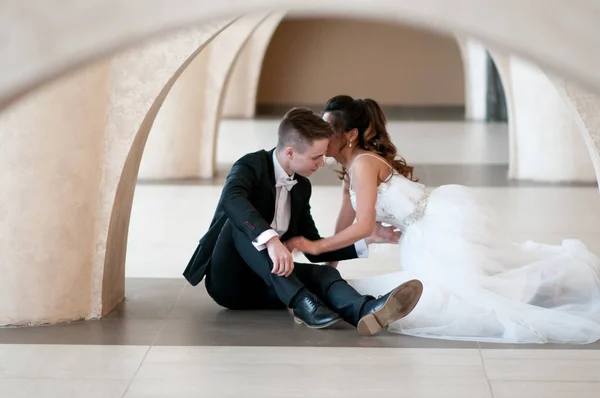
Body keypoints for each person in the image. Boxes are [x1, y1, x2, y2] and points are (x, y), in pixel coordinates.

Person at [284, 95, 600, 344]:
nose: (321, 135)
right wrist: (328, 272)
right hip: (420, 236)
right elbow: (346, 221)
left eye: (328, 129)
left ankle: (556, 288)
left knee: (471, 294)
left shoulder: (363, 164)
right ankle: (549, 289)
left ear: (349, 135)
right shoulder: (350, 169)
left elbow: (362, 227)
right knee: (477, 286)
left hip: (438, 227)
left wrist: (315, 245)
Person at [183, 107, 423, 336]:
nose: (322, 163)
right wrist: (271, 240)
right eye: (316, 157)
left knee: (325, 275)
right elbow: (231, 199)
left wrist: (366, 240)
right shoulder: (250, 165)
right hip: (230, 284)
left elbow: (312, 246)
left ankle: (365, 310)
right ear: (290, 153)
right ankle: (303, 303)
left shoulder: (301, 187)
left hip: (271, 286)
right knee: (234, 223)